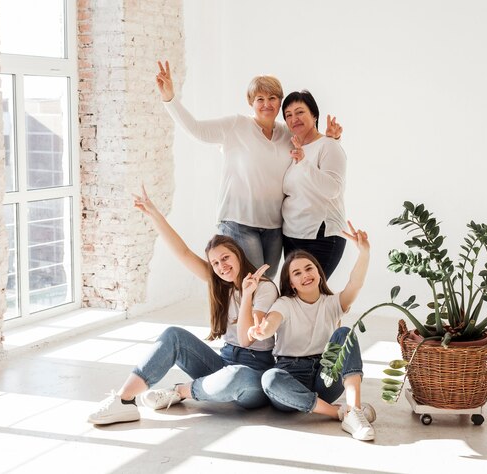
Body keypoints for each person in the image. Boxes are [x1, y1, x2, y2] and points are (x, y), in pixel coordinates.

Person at [87, 185, 278, 425]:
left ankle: (180, 391)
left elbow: (246, 339)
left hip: (253, 375)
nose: (221, 267)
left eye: (226, 258)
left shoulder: (264, 288)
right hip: (224, 362)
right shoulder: (221, 284)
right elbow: (183, 252)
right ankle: (124, 400)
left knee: (236, 376)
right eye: (215, 263)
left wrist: (248, 295)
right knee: (173, 335)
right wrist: (154, 213)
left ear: (238, 254)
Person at [155, 61, 342, 279]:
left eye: (272, 98)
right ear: (251, 102)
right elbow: (196, 130)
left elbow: (312, 152)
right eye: (259, 99)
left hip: (274, 228)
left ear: (280, 102)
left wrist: (333, 139)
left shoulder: (287, 135)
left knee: (265, 287)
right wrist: (170, 99)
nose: (266, 104)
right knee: (252, 286)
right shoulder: (236, 125)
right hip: (238, 222)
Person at [247, 222, 376, 441]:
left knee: (344, 332)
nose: (305, 275)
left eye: (309, 268)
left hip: (325, 374)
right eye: (297, 273)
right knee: (270, 379)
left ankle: (354, 411)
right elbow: (270, 324)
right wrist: (260, 331)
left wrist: (364, 252)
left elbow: (355, 283)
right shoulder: (284, 303)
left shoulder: (332, 303)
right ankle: (338, 412)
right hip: (290, 375)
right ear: (292, 283)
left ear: (318, 272)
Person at [281, 90, 348, 279]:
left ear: (314, 115)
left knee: (312, 295)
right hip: (292, 235)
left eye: (300, 112)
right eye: (288, 115)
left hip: (321, 234)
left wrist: (303, 162)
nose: (294, 119)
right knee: (294, 298)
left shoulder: (329, 145)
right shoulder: (294, 148)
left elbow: (332, 189)